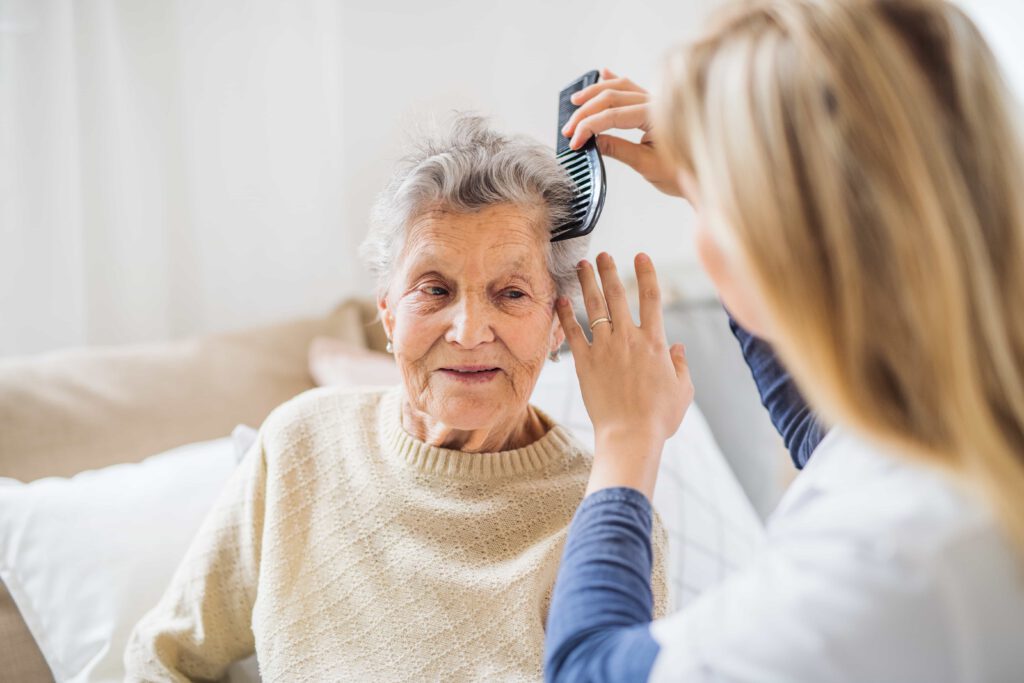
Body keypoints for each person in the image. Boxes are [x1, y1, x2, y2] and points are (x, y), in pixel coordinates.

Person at [544, 0, 1024, 680]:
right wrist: (710, 188)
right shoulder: (957, 421)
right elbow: (828, 440)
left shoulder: (891, 567)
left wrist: (626, 437)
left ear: (769, 247)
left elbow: (588, 670)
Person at [124, 114, 668, 682]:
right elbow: (164, 659)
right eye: (435, 289)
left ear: (557, 325)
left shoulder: (608, 518)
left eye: (510, 293)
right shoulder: (299, 446)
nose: (468, 330)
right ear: (387, 310)